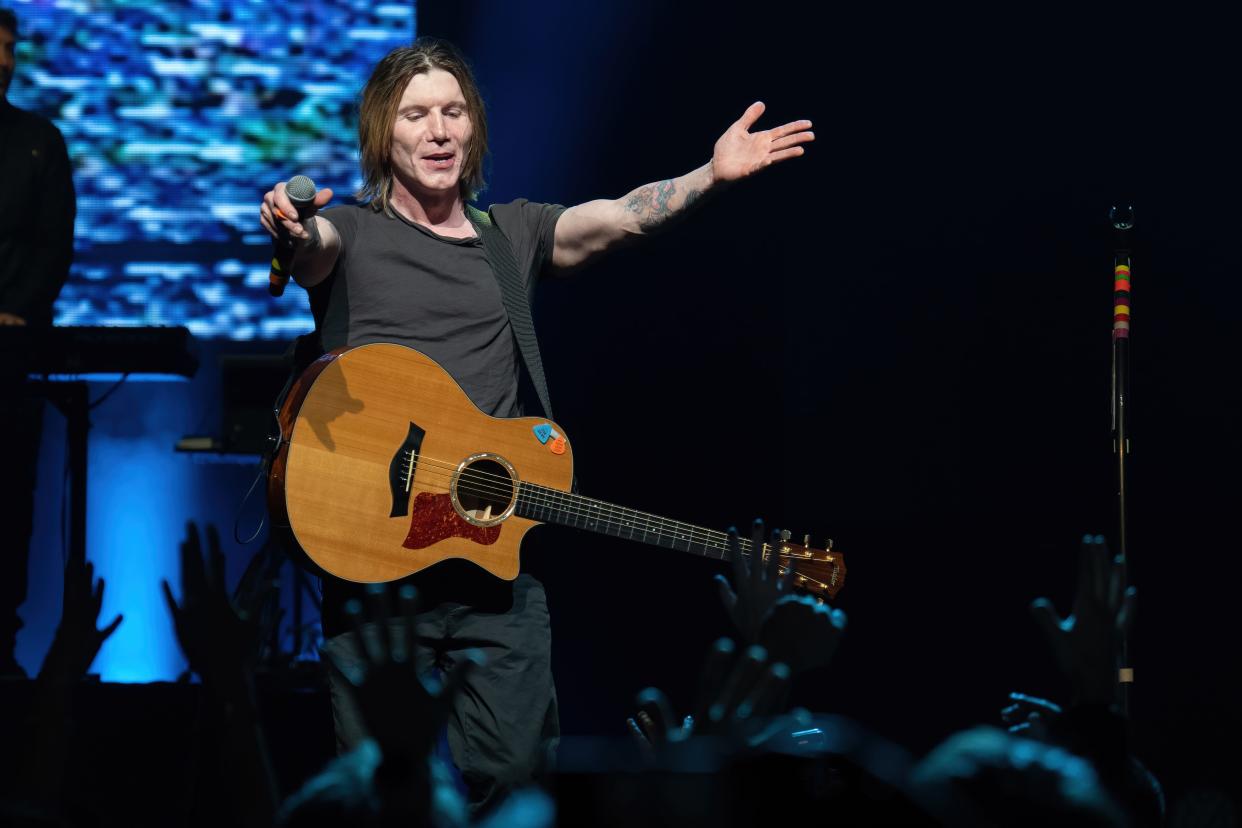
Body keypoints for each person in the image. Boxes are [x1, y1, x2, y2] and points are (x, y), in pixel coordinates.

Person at [260, 37, 813, 815]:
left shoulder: (509, 235)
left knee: (520, 788)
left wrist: (709, 177)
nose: (439, 130)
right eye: (417, 115)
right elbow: (310, 249)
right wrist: (291, 226)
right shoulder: (352, 234)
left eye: (453, 111)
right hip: (372, 564)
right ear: (384, 132)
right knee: (383, 797)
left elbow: (619, 218)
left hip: (494, 571)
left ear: (475, 128)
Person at [0, 5, 76, 677]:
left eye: (7, 48)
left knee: (8, 499)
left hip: (11, 354)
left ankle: (3, 641)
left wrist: (18, 312)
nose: (1, 60)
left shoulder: (38, 141)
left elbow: (55, 244)